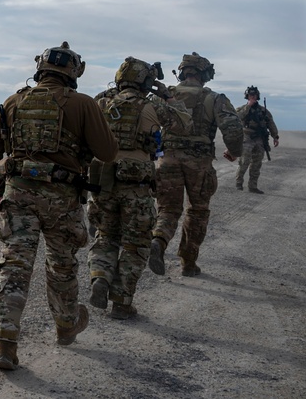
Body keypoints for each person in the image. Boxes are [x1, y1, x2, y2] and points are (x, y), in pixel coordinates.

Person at [0, 42, 118, 371]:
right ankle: (66, 326)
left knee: (14, 268)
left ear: (40, 69)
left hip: (18, 195)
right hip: (62, 200)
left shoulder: (14, 101)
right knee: (61, 268)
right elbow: (108, 153)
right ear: (73, 72)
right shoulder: (84, 105)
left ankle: (5, 341)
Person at [87, 57, 192, 320]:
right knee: (136, 244)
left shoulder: (101, 101)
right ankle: (122, 303)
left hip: (103, 180)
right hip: (137, 184)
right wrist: (166, 94)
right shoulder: (152, 104)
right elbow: (184, 122)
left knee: (105, 236)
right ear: (145, 81)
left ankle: (99, 277)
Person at [148, 52, 243, 278]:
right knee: (198, 211)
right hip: (199, 164)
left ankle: (159, 241)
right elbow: (233, 129)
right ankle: (188, 263)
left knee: (168, 210)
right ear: (204, 75)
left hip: (167, 160)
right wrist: (234, 151)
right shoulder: (215, 98)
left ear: (181, 72)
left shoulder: (165, 95)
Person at [235, 86, 279, 193]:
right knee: (244, 161)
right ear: (247, 96)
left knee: (257, 163)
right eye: (251, 95)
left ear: (258, 96)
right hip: (247, 137)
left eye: (254, 95)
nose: (253, 97)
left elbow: (271, 123)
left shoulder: (263, 111)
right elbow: (237, 118)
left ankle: (253, 186)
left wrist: (275, 136)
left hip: (259, 139)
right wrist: (248, 107)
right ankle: (239, 182)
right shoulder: (242, 109)